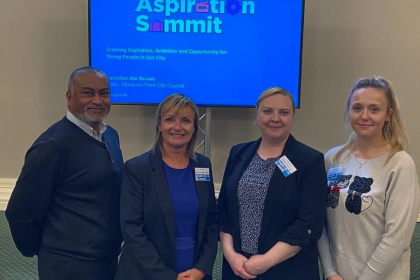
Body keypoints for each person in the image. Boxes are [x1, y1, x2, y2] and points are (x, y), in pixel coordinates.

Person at [5, 66, 124, 280]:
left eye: (104, 93)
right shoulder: (52, 145)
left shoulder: (111, 136)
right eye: (88, 93)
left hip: (105, 260)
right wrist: (47, 250)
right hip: (68, 266)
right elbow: (20, 210)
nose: (97, 100)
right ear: (69, 97)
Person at [218, 87, 328, 280]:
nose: (275, 118)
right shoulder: (238, 154)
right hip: (238, 269)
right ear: (257, 114)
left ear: (292, 117)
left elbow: (309, 223)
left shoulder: (309, 161)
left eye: (283, 112)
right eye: (267, 111)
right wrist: (230, 255)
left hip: (288, 271)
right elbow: (224, 210)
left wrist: (265, 261)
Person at [318, 76, 420, 280]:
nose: (364, 116)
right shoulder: (332, 159)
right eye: (357, 108)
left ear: (388, 115)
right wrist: (329, 272)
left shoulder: (400, 164)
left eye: (374, 109)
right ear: (349, 110)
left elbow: (396, 239)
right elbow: (320, 220)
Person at [114, 93, 218, 280]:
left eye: (185, 120)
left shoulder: (203, 165)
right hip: (147, 272)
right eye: (170, 119)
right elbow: (132, 229)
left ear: (194, 127)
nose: (177, 127)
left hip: (195, 273)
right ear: (159, 125)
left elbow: (211, 220)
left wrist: (202, 268)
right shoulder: (137, 168)